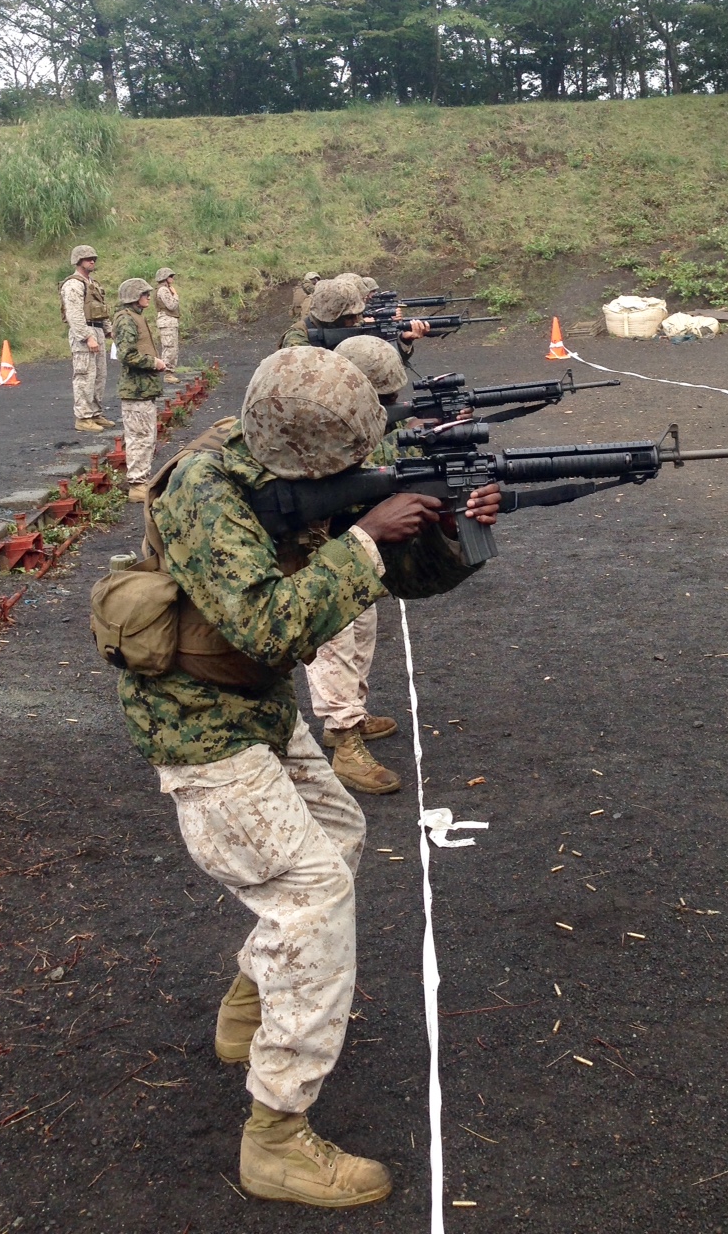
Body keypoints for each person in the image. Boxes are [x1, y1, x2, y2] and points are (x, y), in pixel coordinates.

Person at [113, 347, 499, 1207]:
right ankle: (277, 1138)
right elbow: (266, 626)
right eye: (352, 463)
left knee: (340, 834)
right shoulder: (205, 492)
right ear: (308, 451)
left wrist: (449, 531)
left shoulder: (301, 469)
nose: (362, 472)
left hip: (254, 710)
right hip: (198, 722)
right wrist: (365, 537)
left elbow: (405, 578)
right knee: (313, 894)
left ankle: (251, 1006)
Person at [302, 336, 412, 795]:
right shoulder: (316, 423)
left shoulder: (354, 419)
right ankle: (344, 743)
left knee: (362, 624)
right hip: (312, 543)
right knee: (333, 637)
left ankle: (347, 716)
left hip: (345, 538)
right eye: (382, 397)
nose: (390, 405)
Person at [281, 274, 430, 359]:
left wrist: (404, 340)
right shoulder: (297, 339)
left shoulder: (353, 328)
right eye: (350, 317)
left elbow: (382, 369)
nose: (356, 320)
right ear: (331, 317)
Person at [112, 279, 166, 504]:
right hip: (136, 390)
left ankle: (141, 480)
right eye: (144, 294)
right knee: (140, 438)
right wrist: (154, 363)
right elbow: (127, 355)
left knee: (145, 438)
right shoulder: (126, 320)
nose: (147, 297)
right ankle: (137, 484)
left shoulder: (135, 317)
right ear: (134, 296)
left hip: (141, 390)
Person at [60, 244, 114, 434]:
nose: (92, 261)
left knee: (99, 375)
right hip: (85, 332)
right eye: (88, 258)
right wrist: (86, 336)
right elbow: (74, 314)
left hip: (96, 329)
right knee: (85, 375)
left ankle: (95, 413)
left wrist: (109, 330)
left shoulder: (93, 284)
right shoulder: (73, 284)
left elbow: (101, 308)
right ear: (78, 261)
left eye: (94, 258)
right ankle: (83, 417)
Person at [155, 267, 181, 383]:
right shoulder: (163, 290)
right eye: (170, 276)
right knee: (169, 347)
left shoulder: (165, 289)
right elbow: (171, 305)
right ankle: (167, 373)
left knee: (172, 348)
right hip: (167, 321)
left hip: (169, 321)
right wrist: (175, 295)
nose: (172, 278)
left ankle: (169, 372)